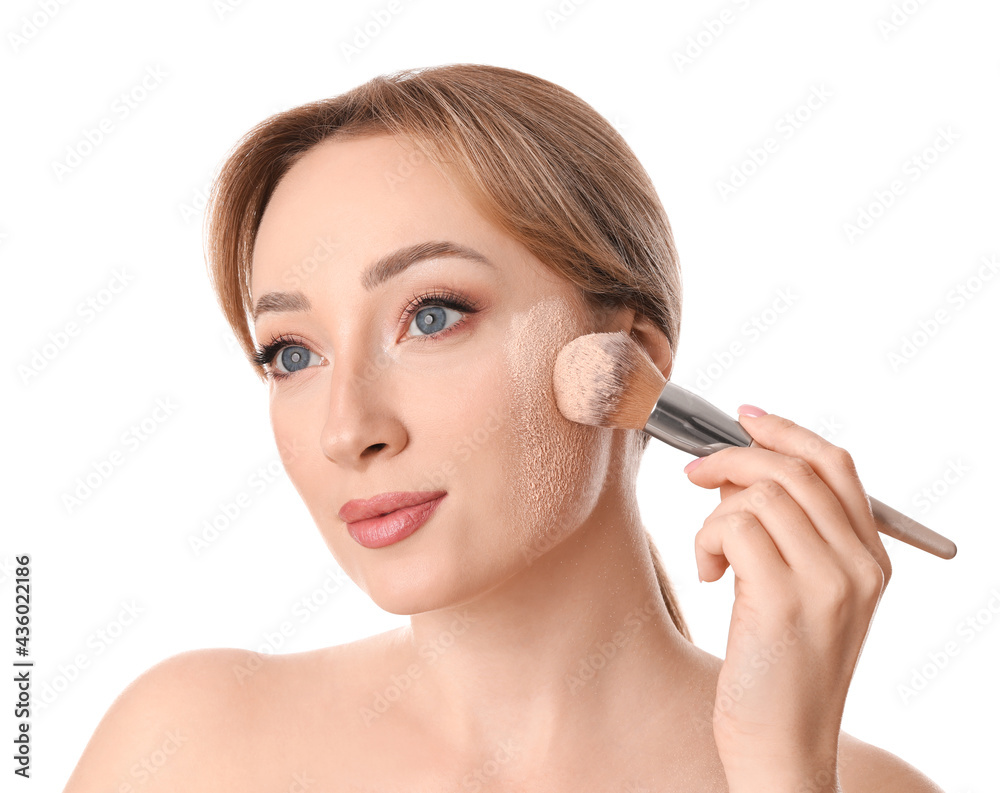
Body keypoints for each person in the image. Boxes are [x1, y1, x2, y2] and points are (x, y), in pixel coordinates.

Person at [63, 63, 944, 792]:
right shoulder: (186, 747)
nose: (347, 430)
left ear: (627, 352)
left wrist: (781, 771)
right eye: (293, 354)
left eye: (434, 315)